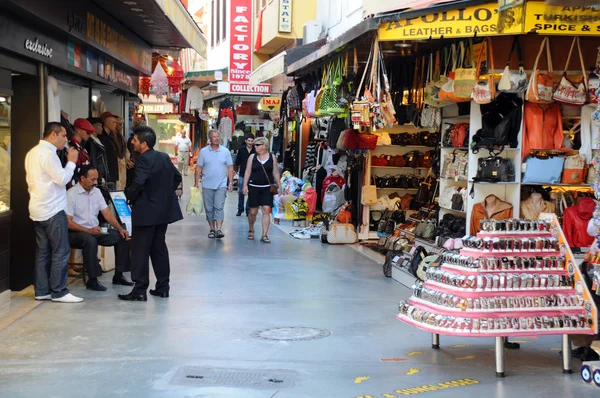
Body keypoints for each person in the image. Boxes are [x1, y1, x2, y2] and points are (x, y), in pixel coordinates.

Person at [119, 126, 183, 301]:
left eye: (135, 140)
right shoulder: (163, 157)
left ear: (144, 144)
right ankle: (163, 287)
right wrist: (162, 195)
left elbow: (139, 182)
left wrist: (130, 197)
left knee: (140, 250)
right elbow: (177, 177)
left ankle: (140, 290)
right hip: (162, 212)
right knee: (158, 249)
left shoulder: (142, 159)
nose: (132, 142)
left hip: (145, 212)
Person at [25, 122, 83, 303]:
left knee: (43, 252)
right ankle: (59, 291)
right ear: (53, 135)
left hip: (38, 207)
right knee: (61, 251)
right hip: (52, 209)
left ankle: (42, 290)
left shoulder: (32, 152)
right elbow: (62, 179)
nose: (66, 139)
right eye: (64, 135)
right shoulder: (48, 154)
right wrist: (72, 163)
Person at [66, 165, 133, 291]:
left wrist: (120, 228)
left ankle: (119, 275)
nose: (96, 183)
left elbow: (106, 213)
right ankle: (93, 280)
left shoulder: (96, 192)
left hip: (94, 230)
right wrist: (88, 230)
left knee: (121, 236)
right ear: (82, 178)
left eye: (96, 179)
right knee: (90, 240)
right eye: (92, 180)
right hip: (76, 232)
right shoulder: (71, 194)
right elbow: (68, 222)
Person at [194, 130, 234, 239]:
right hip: (207, 184)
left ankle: (219, 229)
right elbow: (199, 167)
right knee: (209, 208)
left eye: (217, 136)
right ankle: (212, 229)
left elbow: (230, 167)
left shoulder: (225, 151)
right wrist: (196, 182)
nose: (216, 138)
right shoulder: (203, 151)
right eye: (214, 137)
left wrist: (230, 182)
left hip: (221, 184)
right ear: (209, 139)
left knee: (219, 206)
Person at [243, 136, 281, 243]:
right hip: (254, 187)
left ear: (264, 146)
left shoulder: (272, 157)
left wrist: (279, 186)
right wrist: (245, 185)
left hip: (267, 188)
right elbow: (247, 172)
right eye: (255, 145)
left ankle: (264, 235)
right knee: (253, 211)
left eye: (257, 145)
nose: (255, 147)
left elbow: (275, 172)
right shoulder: (252, 157)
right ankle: (251, 228)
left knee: (266, 210)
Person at [235, 133, 255, 217]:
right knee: (241, 192)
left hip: (253, 174)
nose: (250, 142)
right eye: (248, 141)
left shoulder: (255, 150)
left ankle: (248, 209)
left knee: (251, 193)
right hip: (242, 173)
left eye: (251, 141)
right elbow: (237, 162)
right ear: (245, 141)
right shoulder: (241, 149)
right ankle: (240, 209)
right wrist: (235, 172)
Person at [86, 117, 110, 184]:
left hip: (102, 174)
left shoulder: (97, 140)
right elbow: (93, 160)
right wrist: (98, 176)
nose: (102, 128)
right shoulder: (90, 142)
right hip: (98, 175)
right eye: (100, 126)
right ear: (94, 126)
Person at [98, 111, 120, 185]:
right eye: (113, 122)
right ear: (106, 122)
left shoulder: (111, 137)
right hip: (107, 174)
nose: (115, 125)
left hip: (111, 172)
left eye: (116, 123)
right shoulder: (102, 138)